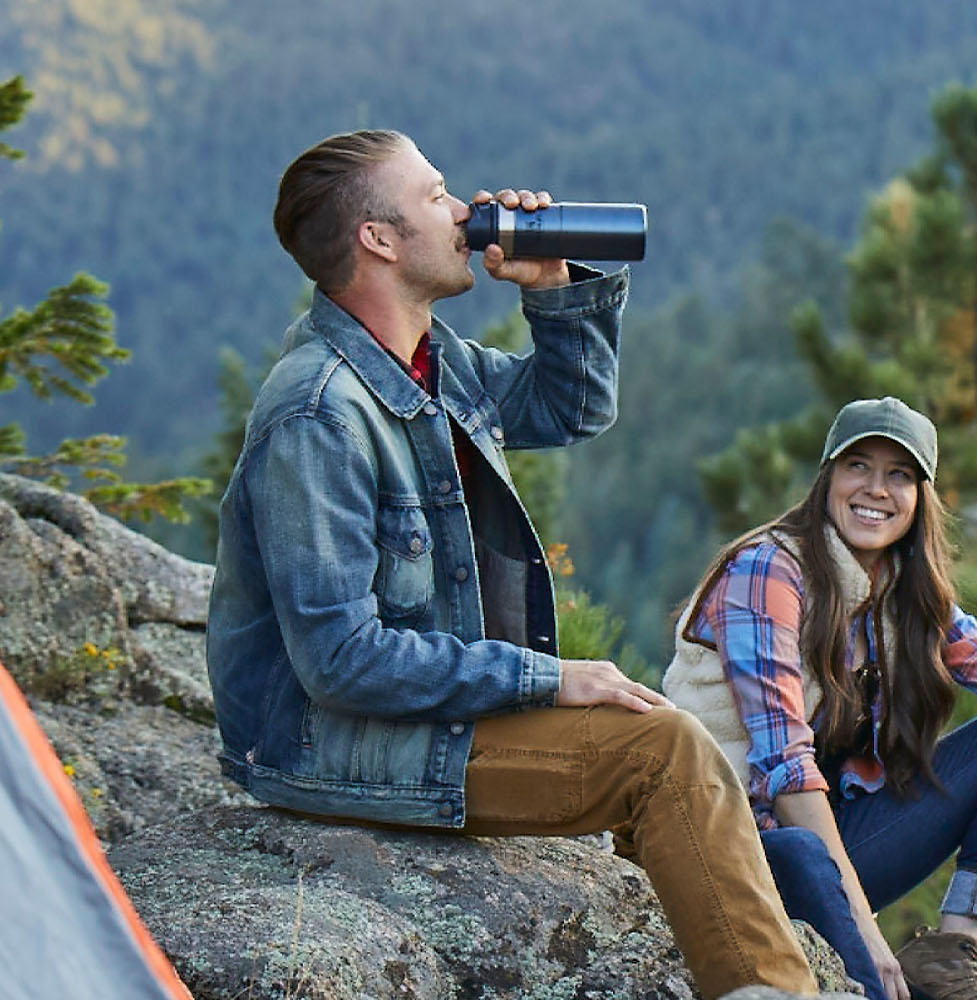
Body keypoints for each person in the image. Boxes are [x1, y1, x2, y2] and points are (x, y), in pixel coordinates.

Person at [205, 129, 817, 999]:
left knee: (654, 733)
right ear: (377, 239)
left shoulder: (428, 363)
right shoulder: (318, 415)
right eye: (436, 195)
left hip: (420, 714)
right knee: (663, 753)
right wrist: (544, 679)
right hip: (328, 744)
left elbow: (569, 411)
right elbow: (339, 661)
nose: (463, 211)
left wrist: (553, 291)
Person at [664, 396, 977, 1000]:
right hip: (734, 846)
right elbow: (784, 766)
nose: (875, 489)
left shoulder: (902, 592)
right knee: (803, 859)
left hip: (827, 845)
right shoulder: (768, 570)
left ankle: (952, 959)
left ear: (920, 497)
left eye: (899, 474)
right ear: (827, 478)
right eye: (858, 467)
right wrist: (866, 932)